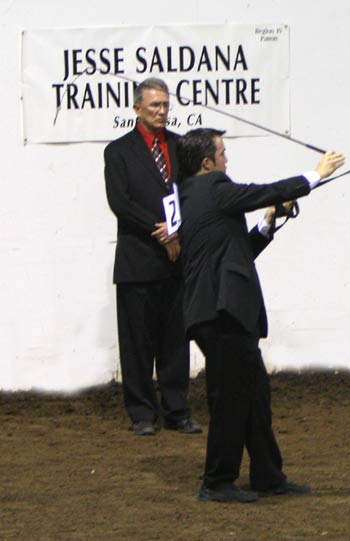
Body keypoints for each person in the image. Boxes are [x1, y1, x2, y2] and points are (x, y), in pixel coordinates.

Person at [176, 127, 344, 503]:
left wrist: (268, 221)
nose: (226, 159)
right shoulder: (214, 189)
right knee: (233, 397)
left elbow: (236, 253)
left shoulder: (198, 198)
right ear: (207, 162)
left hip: (219, 310)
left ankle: (268, 474)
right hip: (222, 312)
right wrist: (316, 175)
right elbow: (263, 190)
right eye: (222, 153)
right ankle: (217, 481)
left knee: (253, 394)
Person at [104, 77, 202, 436]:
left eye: (165, 106)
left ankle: (177, 409)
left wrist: (176, 231)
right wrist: (158, 230)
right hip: (138, 260)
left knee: (175, 339)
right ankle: (143, 413)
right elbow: (120, 202)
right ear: (137, 109)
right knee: (137, 342)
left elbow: (192, 192)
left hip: (176, 259)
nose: (162, 112)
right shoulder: (117, 152)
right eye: (154, 106)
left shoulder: (181, 147)